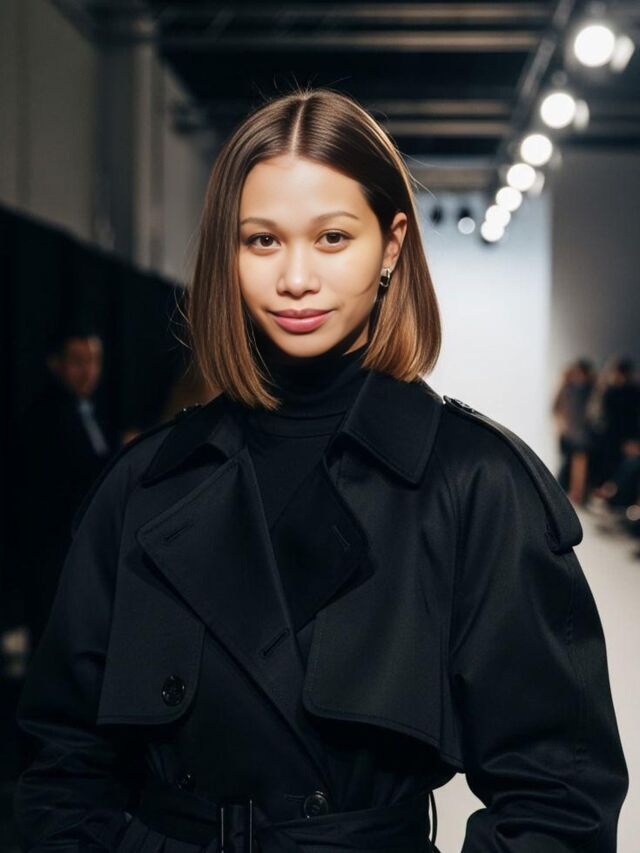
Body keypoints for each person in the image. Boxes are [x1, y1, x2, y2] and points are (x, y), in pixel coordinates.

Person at [13, 87, 628, 853]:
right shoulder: (142, 486)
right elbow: (59, 769)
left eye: (333, 237)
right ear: (228, 252)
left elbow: (560, 799)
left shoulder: (475, 485)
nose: (296, 277)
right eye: (262, 240)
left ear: (392, 245)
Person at [15, 327, 116, 656]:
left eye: (94, 360)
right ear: (56, 364)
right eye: (78, 361)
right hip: (55, 553)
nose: (89, 370)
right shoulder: (45, 416)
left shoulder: (91, 410)